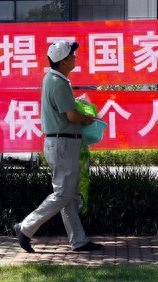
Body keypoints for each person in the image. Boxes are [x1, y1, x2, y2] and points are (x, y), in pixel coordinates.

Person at [13, 41, 104, 253]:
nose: (75, 57)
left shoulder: (53, 79)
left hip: (60, 142)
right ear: (63, 61)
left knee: (69, 195)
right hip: (63, 143)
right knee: (63, 194)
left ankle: (78, 240)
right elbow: (72, 116)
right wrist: (88, 117)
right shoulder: (59, 82)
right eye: (72, 55)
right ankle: (25, 227)